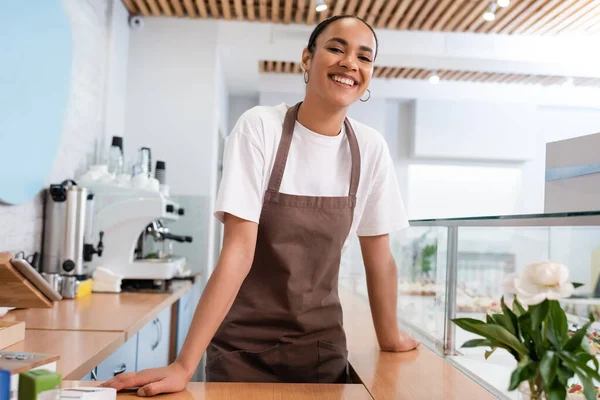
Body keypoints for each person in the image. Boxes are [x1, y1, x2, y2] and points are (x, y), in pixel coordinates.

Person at [101, 14, 419, 396]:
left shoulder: (370, 149)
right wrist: (184, 365)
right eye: (336, 48)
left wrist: (390, 338)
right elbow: (238, 249)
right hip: (241, 351)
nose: (350, 63)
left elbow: (379, 257)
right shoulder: (260, 128)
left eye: (364, 57)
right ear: (307, 59)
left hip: (320, 353)